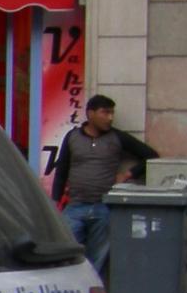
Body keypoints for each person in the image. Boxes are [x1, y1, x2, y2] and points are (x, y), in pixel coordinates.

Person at [50, 94, 158, 275]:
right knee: (66, 256)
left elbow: (151, 156)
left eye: (112, 113)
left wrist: (128, 174)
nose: (110, 118)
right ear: (91, 114)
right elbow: (61, 170)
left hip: (103, 208)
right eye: (105, 112)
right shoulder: (72, 137)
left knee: (96, 260)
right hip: (75, 206)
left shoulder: (117, 137)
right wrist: (54, 202)